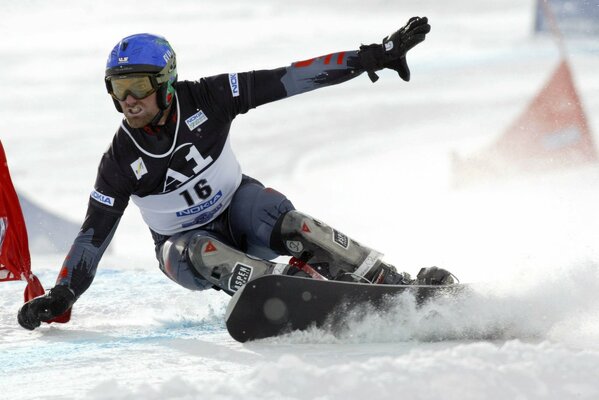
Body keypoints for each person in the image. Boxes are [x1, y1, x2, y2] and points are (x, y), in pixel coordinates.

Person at [18, 17, 454, 330]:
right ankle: (291, 291)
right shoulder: (118, 160)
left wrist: (373, 56)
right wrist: (62, 295)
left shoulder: (208, 97)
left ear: (166, 83)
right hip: (181, 249)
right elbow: (93, 237)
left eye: (138, 87)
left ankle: (394, 283)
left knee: (296, 224)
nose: (128, 100)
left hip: (241, 212)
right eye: (117, 88)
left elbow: (291, 78)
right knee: (207, 249)